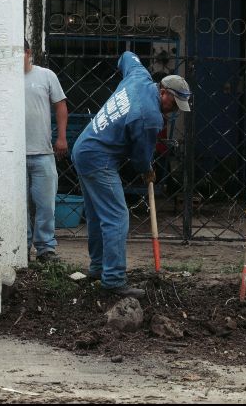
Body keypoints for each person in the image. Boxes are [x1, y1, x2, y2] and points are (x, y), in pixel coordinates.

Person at [72, 51, 191, 298]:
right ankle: (113, 280)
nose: (173, 112)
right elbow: (140, 158)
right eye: (173, 105)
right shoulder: (150, 117)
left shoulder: (139, 76)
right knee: (117, 217)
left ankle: (97, 268)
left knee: (97, 214)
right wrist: (148, 170)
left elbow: (127, 55)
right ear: (163, 92)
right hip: (98, 158)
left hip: (83, 148)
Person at [24, 39, 68, 263]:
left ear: (28, 53)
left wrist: (61, 137)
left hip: (42, 151)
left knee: (45, 205)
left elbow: (60, 105)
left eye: (19, 53)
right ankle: (21, 247)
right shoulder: (5, 79)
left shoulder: (46, 76)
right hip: (15, 155)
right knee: (20, 207)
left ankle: (45, 249)